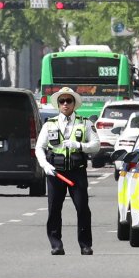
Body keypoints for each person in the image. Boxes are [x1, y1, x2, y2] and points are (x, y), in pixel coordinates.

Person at [35, 87, 100, 256]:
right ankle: (56, 244)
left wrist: (79, 145)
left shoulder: (84, 123)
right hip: (56, 173)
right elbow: (39, 148)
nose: (65, 104)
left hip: (76, 172)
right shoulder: (50, 124)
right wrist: (44, 165)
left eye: (68, 101)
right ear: (58, 104)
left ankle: (85, 245)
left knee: (82, 208)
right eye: (62, 101)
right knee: (54, 209)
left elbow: (96, 145)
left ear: (74, 104)